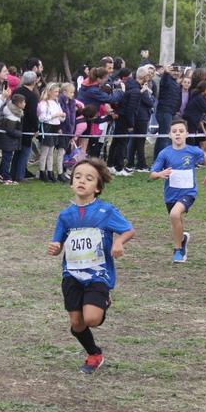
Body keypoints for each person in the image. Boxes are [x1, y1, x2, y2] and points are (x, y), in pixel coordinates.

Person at [47, 157, 135, 374]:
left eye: (88, 178)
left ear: (97, 187)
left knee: (92, 319)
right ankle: (94, 353)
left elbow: (128, 230)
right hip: (72, 273)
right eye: (77, 177)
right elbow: (58, 242)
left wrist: (118, 242)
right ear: (71, 182)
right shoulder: (65, 215)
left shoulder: (106, 211)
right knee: (77, 323)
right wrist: (55, 247)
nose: (82, 181)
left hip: (98, 273)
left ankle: (103, 297)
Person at [150, 118, 206, 263]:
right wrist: (160, 174)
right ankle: (183, 239)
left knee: (174, 214)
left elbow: (203, 154)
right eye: (174, 132)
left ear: (187, 133)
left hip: (189, 192)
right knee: (176, 219)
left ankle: (178, 249)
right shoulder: (164, 153)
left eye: (181, 131)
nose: (177, 134)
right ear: (169, 135)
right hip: (171, 194)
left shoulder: (192, 151)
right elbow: (152, 174)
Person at [37, 83, 67, 182]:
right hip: (47, 127)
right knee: (45, 151)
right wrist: (55, 115)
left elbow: (61, 118)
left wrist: (62, 116)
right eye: (55, 92)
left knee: (51, 151)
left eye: (58, 92)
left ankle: (50, 172)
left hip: (55, 127)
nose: (57, 94)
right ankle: (42, 171)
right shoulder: (43, 103)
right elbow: (42, 118)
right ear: (49, 91)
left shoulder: (56, 103)